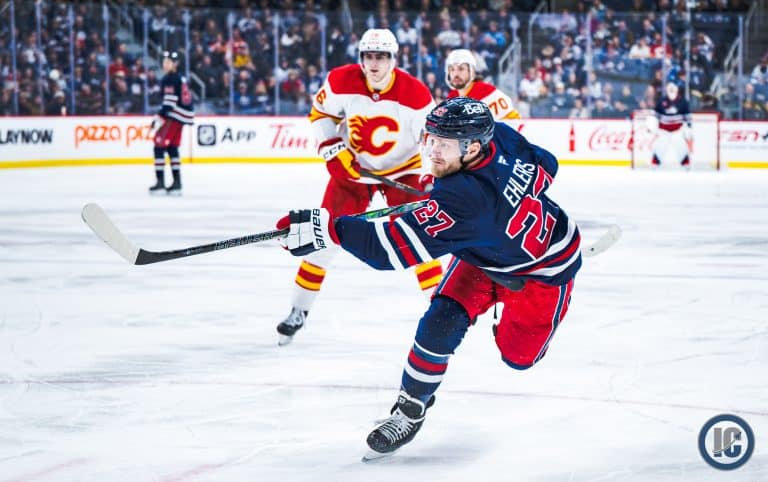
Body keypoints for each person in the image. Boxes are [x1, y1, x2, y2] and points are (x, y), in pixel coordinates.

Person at [276, 97, 582, 459]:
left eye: (443, 145)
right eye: (431, 139)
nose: (432, 150)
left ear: (472, 148)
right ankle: (410, 410)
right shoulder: (499, 135)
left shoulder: (464, 201)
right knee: (439, 322)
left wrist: (328, 228)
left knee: (518, 358)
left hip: (543, 275)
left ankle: (508, 307)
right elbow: (548, 163)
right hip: (483, 257)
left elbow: (387, 250)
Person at [276, 28, 443, 345]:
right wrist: (332, 148)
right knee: (322, 237)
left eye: (381, 57)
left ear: (394, 59)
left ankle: (441, 310)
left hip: (403, 173)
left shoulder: (416, 94)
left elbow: (432, 141)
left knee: (418, 241)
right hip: (353, 173)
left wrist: (429, 174)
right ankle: (299, 309)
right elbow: (321, 115)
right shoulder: (341, 80)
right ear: (361, 58)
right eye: (369, 56)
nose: (374, 64)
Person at [149, 50, 194, 196]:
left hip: (175, 116)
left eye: (168, 62)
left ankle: (160, 183)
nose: (165, 64)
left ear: (175, 64)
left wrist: (158, 119)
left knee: (158, 146)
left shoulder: (170, 79)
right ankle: (177, 184)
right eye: (164, 61)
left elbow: (169, 104)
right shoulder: (180, 78)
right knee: (172, 148)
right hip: (183, 116)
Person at [444, 49, 521, 121]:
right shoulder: (451, 97)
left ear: (472, 71)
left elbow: (514, 123)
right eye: (452, 69)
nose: (456, 74)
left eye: (461, 69)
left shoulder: (487, 92)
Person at [651, 82, 691, 168]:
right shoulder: (661, 101)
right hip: (663, 130)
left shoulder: (683, 102)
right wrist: (651, 126)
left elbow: (687, 117)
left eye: (673, 89)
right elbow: (655, 115)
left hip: (677, 130)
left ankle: (685, 164)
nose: (672, 91)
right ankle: (655, 163)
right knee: (660, 145)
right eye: (670, 89)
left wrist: (689, 127)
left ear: (677, 90)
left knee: (681, 145)